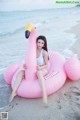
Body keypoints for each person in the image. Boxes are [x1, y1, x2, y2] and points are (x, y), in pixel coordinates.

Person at [9, 35, 49, 105]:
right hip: (32, 70)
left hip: (41, 69)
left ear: (44, 44)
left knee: (39, 73)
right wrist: (25, 64)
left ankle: (44, 94)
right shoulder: (32, 51)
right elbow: (28, 60)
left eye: (42, 43)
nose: (40, 44)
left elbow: (46, 64)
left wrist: (40, 67)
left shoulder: (44, 52)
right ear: (36, 42)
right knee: (21, 72)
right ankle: (13, 92)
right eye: (39, 42)